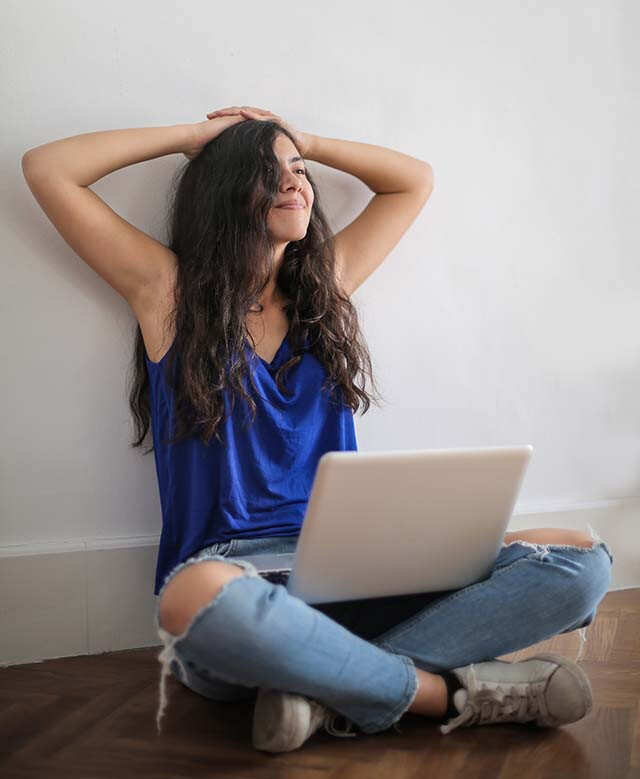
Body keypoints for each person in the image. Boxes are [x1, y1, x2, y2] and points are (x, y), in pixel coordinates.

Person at [22, 106, 613, 754]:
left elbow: (413, 180)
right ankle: (449, 694)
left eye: (299, 172)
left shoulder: (324, 290)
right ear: (221, 189)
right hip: (234, 581)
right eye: (267, 171)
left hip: (355, 574)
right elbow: (48, 169)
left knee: (581, 559)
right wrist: (196, 138)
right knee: (192, 598)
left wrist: (306, 140)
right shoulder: (168, 292)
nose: (296, 182)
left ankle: (319, 689)